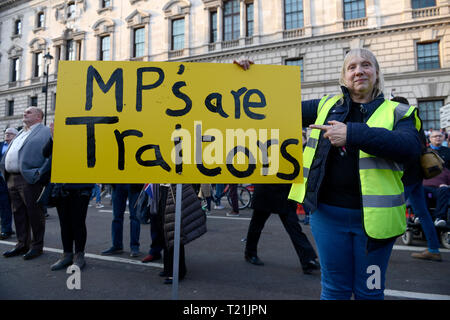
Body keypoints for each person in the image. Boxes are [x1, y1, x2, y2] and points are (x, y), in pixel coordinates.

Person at [278, 48, 420, 299]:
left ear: (376, 73)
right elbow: (277, 107)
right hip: (328, 218)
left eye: (366, 65)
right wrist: (248, 75)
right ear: (343, 77)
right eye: (351, 67)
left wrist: (351, 134)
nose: (359, 71)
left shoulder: (400, 112)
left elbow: (409, 147)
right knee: (334, 289)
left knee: (370, 292)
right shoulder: (326, 105)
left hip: (377, 226)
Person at [391, 96, 442, 261]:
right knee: (422, 212)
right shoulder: (416, 120)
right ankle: (433, 249)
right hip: (417, 174)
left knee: (392, 212)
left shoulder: (405, 122)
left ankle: (379, 249)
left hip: (408, 175)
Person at [0, 107, 52, 260]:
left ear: (38, 116)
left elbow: (51, 155)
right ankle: (22, 244)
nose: (24, 113)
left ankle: (37, 246)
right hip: (12, 178)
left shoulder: (45, 131)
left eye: (29, 112)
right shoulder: (22, 131)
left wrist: (39, 173)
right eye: (25, 112)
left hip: (29, 179)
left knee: (34, 213)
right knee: (18, 213)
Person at [40, 124, 93, 270]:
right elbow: (45, 153)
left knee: (78, 222)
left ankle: (79, 255)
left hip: (81, 187)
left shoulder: (88, 134)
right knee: (65, 223)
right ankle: (67, 254)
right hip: (61, 187)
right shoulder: (58, 138)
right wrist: (54, 137)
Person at [244, 184, 320, 274]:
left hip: (284, 193)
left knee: (294, 228)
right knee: (257, 225)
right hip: (266, 190)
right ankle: (250, 253)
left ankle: (307, 260)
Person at [156, 184, 206, 284]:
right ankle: (169, 268)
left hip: (174, 188)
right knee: (166, 229)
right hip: (165, 187)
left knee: (173, 230)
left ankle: (177, 271)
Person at [101, 184, 143, 257]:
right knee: (119, 217)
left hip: (132, 182)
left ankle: (133, 247)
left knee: (133, 217)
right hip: (119, 182)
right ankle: (120, 246)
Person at [0, 127, 18, 240]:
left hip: (14, 180)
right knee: (4, 206)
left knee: (18, 208)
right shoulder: (1, 145)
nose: (7, 135)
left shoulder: (17, 145)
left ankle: (26, 234)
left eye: (10, 133)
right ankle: (6, 229)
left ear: (15, 136)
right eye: (6, 133)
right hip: (1, 181)